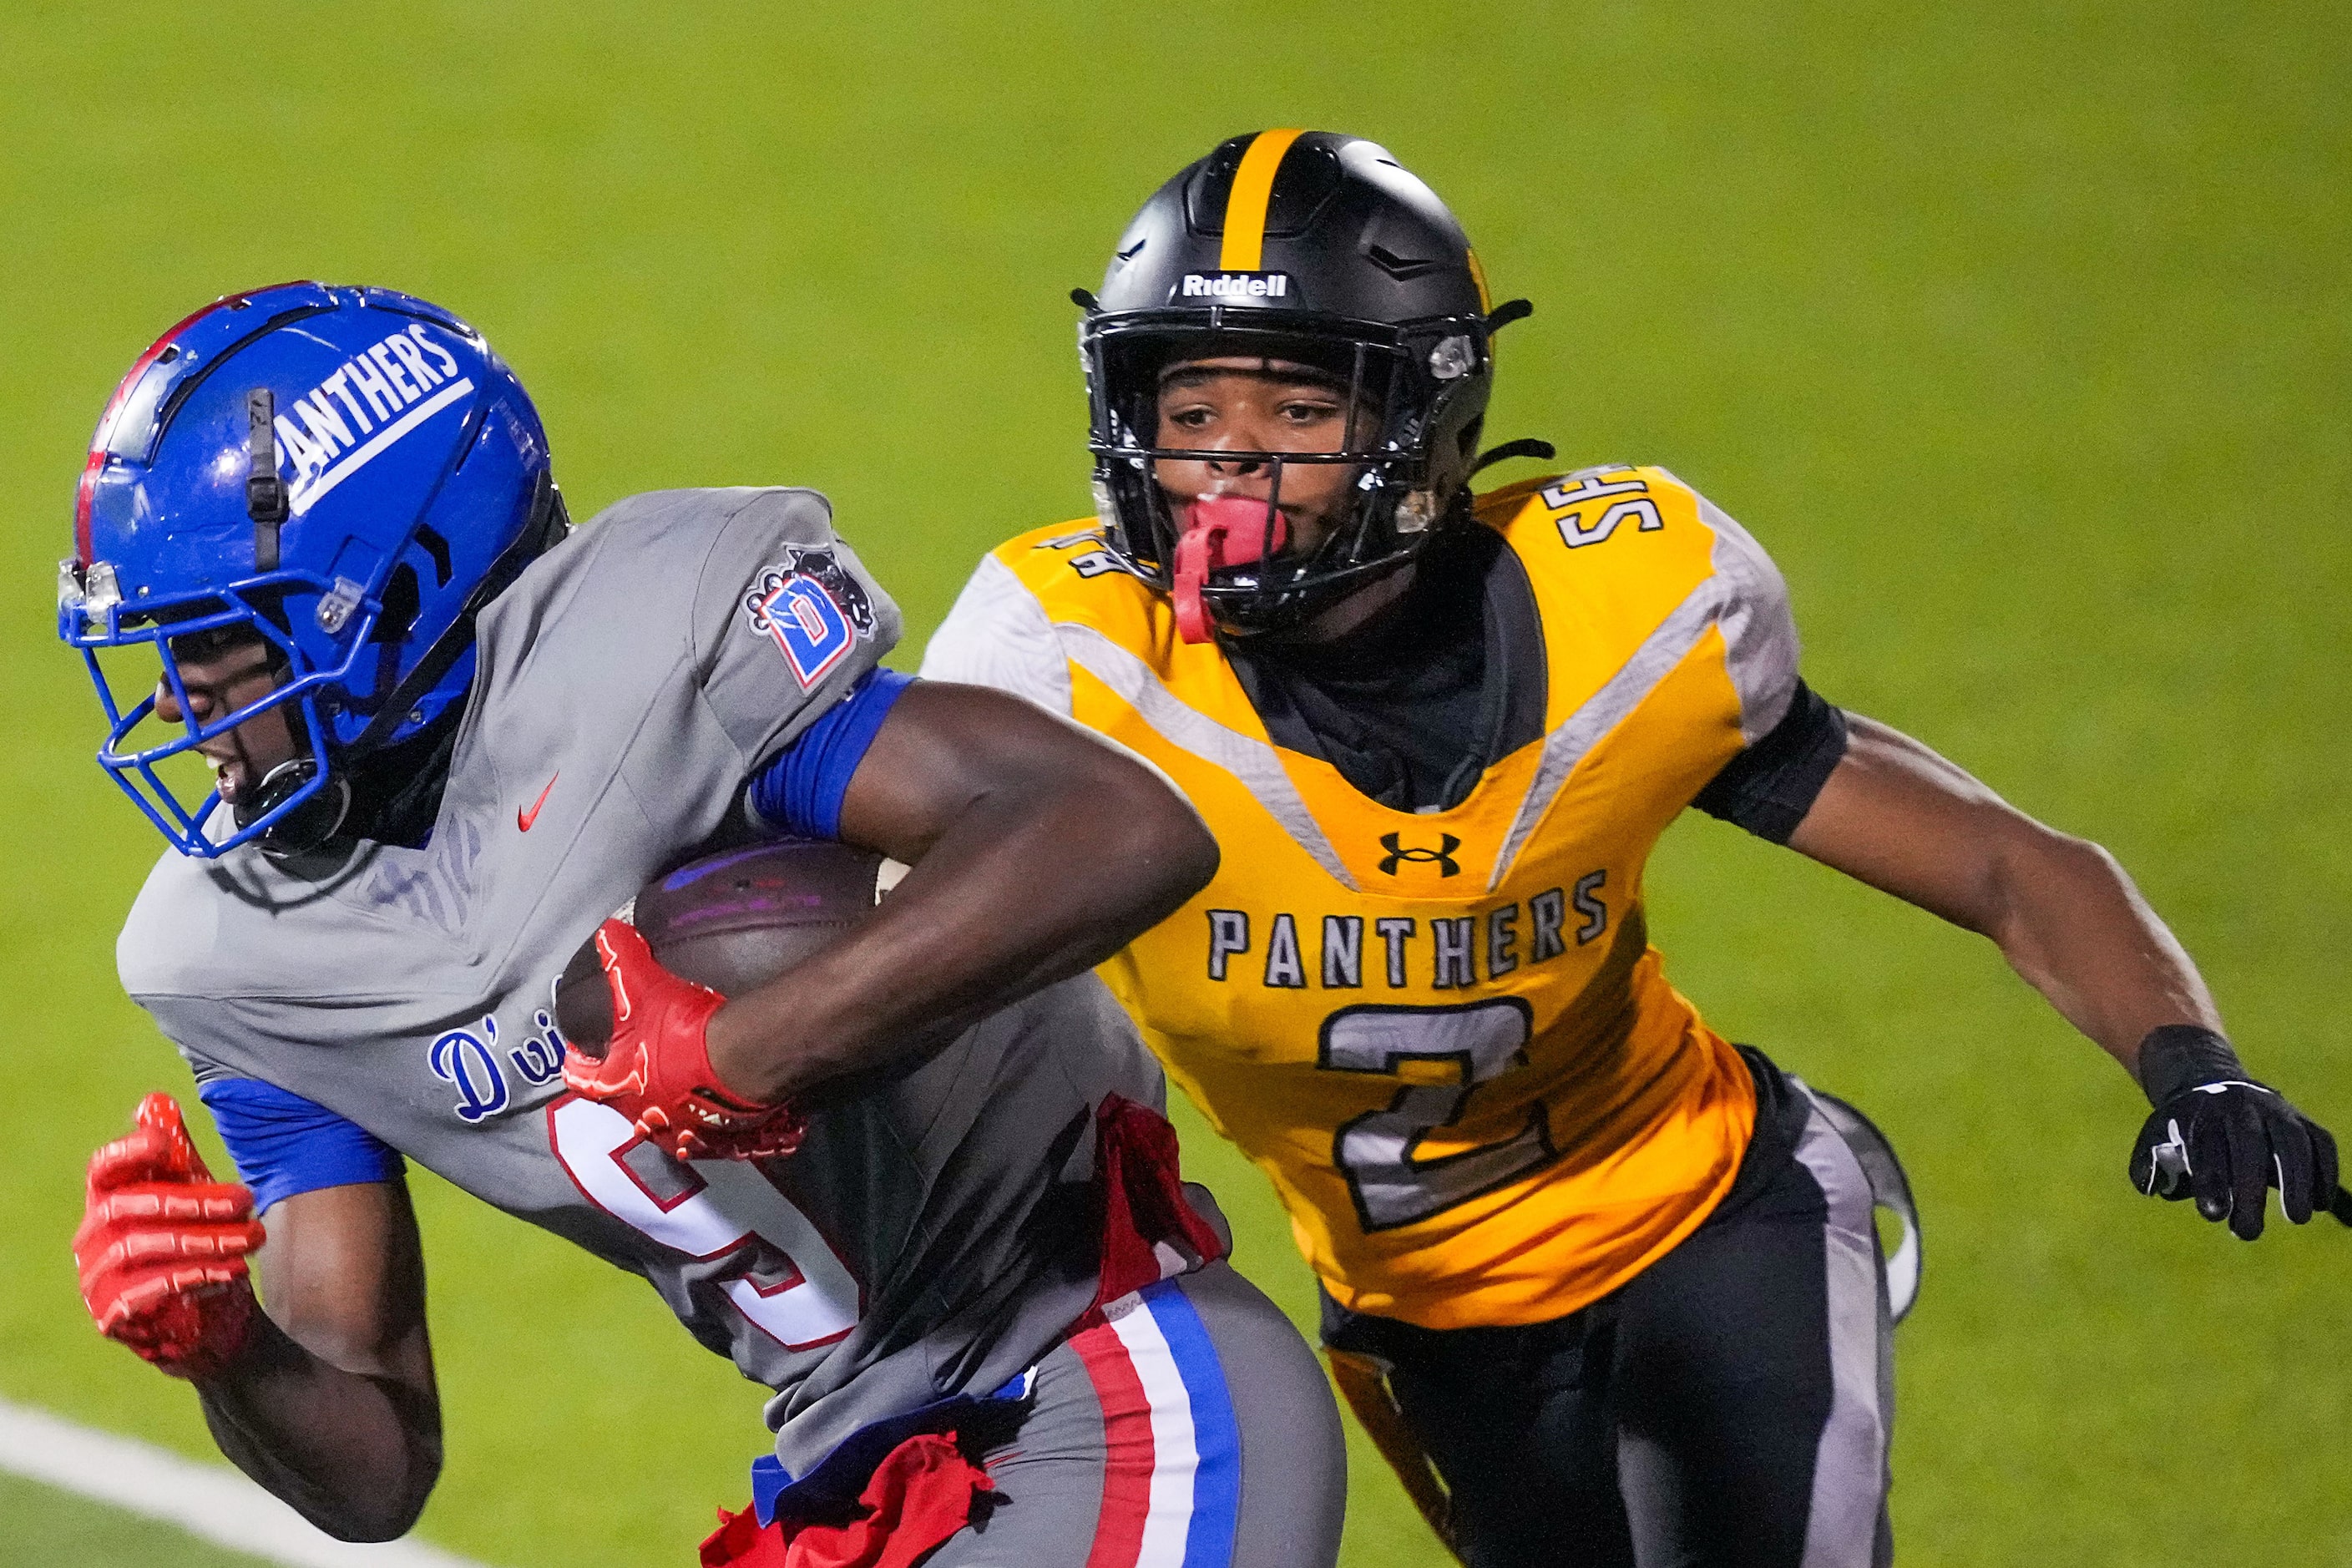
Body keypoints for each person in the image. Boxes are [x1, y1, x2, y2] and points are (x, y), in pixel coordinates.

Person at [917, 130, 2346, 1568]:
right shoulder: (1071, 670)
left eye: (1300, 404)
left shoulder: (1632, 612)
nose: (1231, 460)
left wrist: (2190, 1060)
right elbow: (878, 960)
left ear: (1430, 421)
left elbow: (2006, 863)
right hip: (1416, 1319)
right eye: (1189, 406)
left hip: (1710, 1226)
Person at [61, 281, 1345, 1568]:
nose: (180, 700)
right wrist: (231, 1345)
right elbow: (376, 1466)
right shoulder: (237, 953)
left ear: (398, 587)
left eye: (222, 645)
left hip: (1102, 1373)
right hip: (860, 1481)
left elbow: (1113, 827)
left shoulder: (651, 648)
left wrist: (752, 1049)